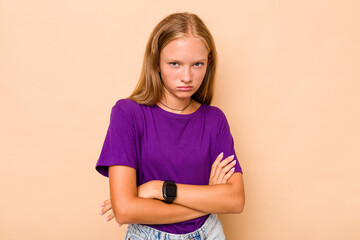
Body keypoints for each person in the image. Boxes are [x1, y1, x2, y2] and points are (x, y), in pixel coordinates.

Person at [95, 12, 245, 240]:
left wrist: (159, 188)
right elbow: (125, 210)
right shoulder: (127, 114)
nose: (187, 77)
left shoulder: (214, 119)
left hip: (210, 234)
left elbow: (235, 200)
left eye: (197, 64)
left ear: (209, 63)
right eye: (175, 64)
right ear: (156, 61)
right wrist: (208, 199)